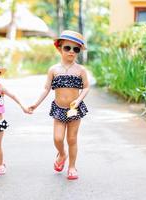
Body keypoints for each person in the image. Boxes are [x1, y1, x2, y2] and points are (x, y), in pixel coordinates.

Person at [29, 30, 89, 180]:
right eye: (67, 48)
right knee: (57, 138)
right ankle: (62, 154)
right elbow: (46, 88)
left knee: (72, 139)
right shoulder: (54, 70)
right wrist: (35, 104)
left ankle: (72, 167)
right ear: (59, 48)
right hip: (59, 109)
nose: (71, 52)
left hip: (74, 109)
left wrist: (79, 99)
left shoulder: (80, 70)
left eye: (76, 49)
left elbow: (86, 87)